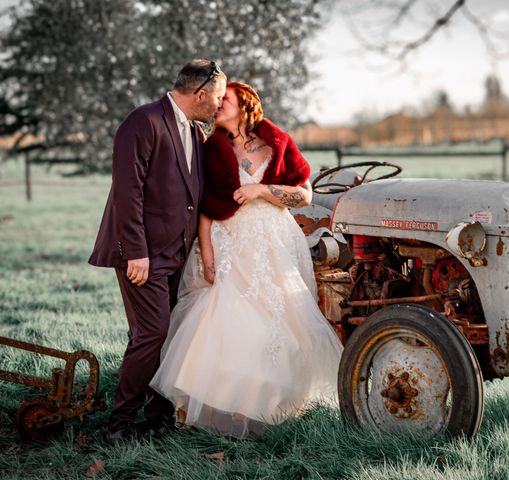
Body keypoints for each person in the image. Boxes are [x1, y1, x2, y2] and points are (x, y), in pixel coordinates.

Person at [149, 82, 343, 438]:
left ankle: (270, 405)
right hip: (230, 243)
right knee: (227, 318)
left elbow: (303, 194)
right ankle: (219, 406)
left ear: (246, 104)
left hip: (274, 241)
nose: (218, 103)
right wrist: (206, 253)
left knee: (281, 323)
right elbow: (205, 208)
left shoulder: (277, 141)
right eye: (217, 98)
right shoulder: (211, 150)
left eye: (226, 98)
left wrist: (262, 190)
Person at [88, 59, 227, 441]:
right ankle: (119, 425)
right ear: (200, 94)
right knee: (152, 332)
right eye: (217, 97)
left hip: (176, 256)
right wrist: (136, 252)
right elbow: (127, 191)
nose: (219, 104)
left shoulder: (197, 133)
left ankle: (159, 416)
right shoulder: (143, 121)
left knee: (167, 335)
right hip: (142, 256)